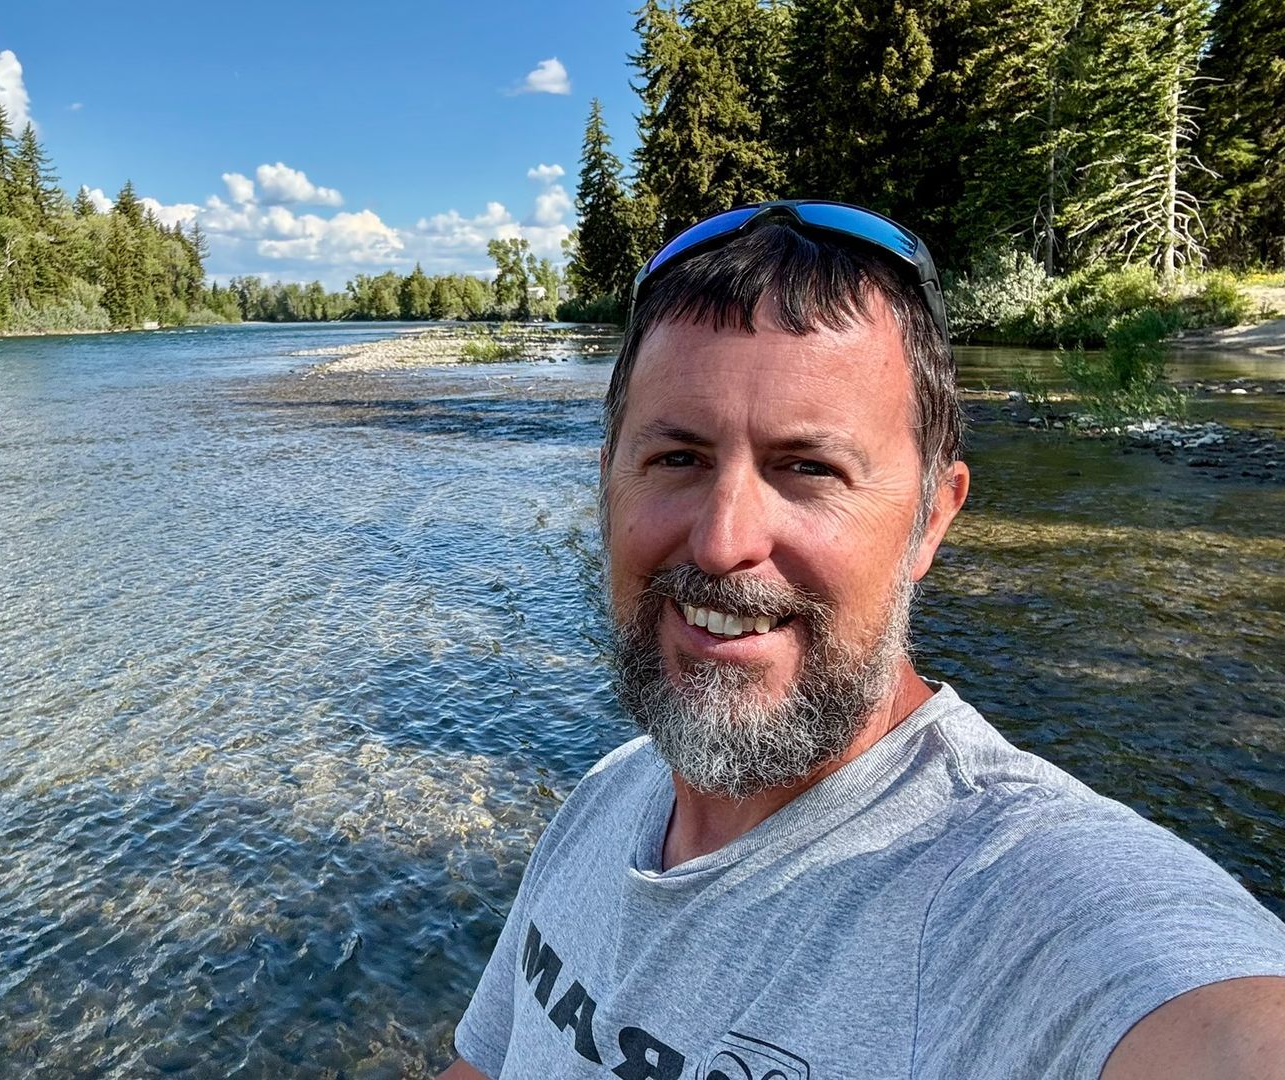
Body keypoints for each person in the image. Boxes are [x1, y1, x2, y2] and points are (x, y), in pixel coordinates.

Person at [440, 201, 1285, 1080]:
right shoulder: (606, 799)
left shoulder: (1017, 899)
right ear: (608, 481)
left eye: (808, 468)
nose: (725, 540)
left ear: (930, 520)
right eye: (678, 459)